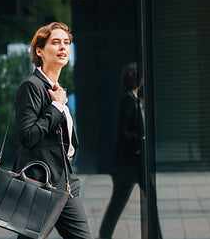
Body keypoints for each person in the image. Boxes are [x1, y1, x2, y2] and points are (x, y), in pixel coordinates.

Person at [12, 22, 93, 239]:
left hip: (65, 184)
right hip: (41, 186)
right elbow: (27, 136)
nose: (63, 48)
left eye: (66, 43)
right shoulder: (31, 86)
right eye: (55, 43)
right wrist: (56, 107)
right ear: (39, 51)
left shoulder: (56, 89)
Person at [99, 62, 145, 239]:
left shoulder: (134, 100)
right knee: (116, 205)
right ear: (139, 80)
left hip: (135, 163)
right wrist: (140, 143)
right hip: (129, 165)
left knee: (150, 201)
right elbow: (123, 131)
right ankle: (104, 236)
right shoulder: (128, 100)